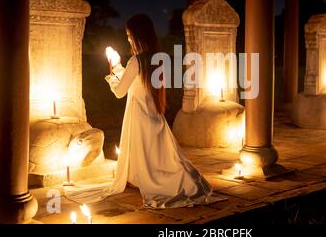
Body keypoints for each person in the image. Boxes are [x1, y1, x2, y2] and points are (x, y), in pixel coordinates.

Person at [64, 14, 224, 209]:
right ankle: (141, 177)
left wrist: (112, 74)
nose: (128, 39)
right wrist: (119, 68)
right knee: (159, 156)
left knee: (142, 150)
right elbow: (138, 81)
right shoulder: (157, 59)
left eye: (130, 35)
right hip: (154, 115)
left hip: (138, 115)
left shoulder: (136, 61)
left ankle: (145, 180)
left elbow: (120, 92)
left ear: (138, 36)